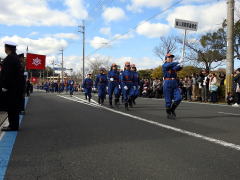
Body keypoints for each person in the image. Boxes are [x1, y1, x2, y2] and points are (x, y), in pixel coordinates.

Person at [0, 41, 22, 131]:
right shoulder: (15, 58)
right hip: (15, 87)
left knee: (11, 107)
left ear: (7, 48)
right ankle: (14, 125)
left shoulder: (10, 58)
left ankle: (12, 126)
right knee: (14, 107)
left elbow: (8, 74)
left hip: (10, 88)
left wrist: (4, 86)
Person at [162, 53, 182, 119]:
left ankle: (172, 109)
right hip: (167, 82)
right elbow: (170, 65)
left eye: (172, 57)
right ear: (166, 59)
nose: (171, 58)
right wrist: (178, 62)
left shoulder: (173, 66)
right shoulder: (164, 65)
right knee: (168, 100)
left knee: (179, 98)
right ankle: (168, 113)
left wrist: (181, 65)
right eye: (169, 57)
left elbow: (177, 68)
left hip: (174, 83)